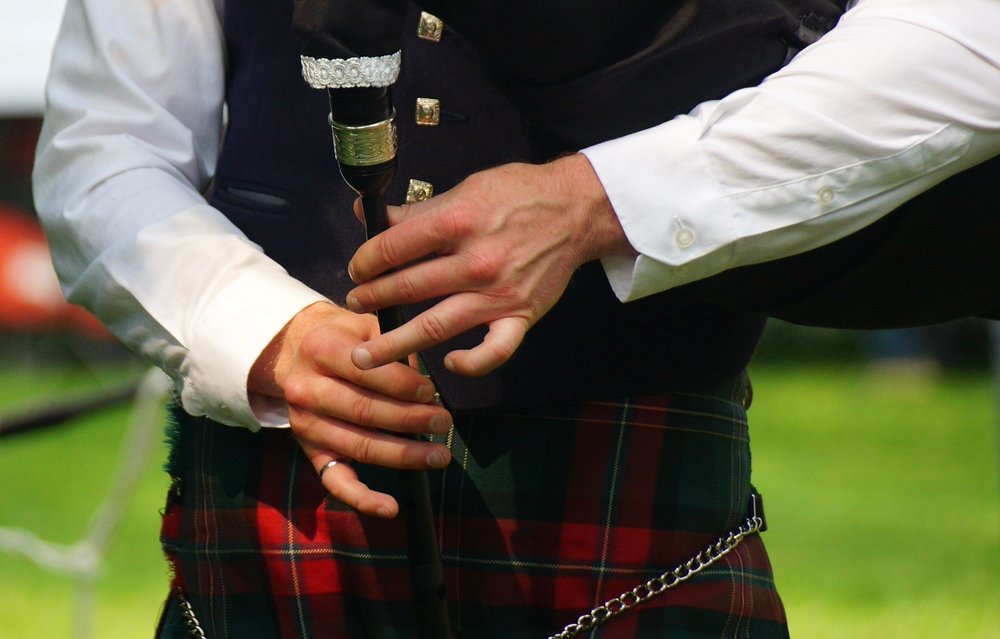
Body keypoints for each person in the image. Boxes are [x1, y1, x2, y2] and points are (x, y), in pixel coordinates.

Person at [32, 1, 999, 638]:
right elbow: (103, 145)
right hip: (276, 524)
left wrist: (599, 200)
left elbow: (973, 43)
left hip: (633, 519)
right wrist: (260, 334)